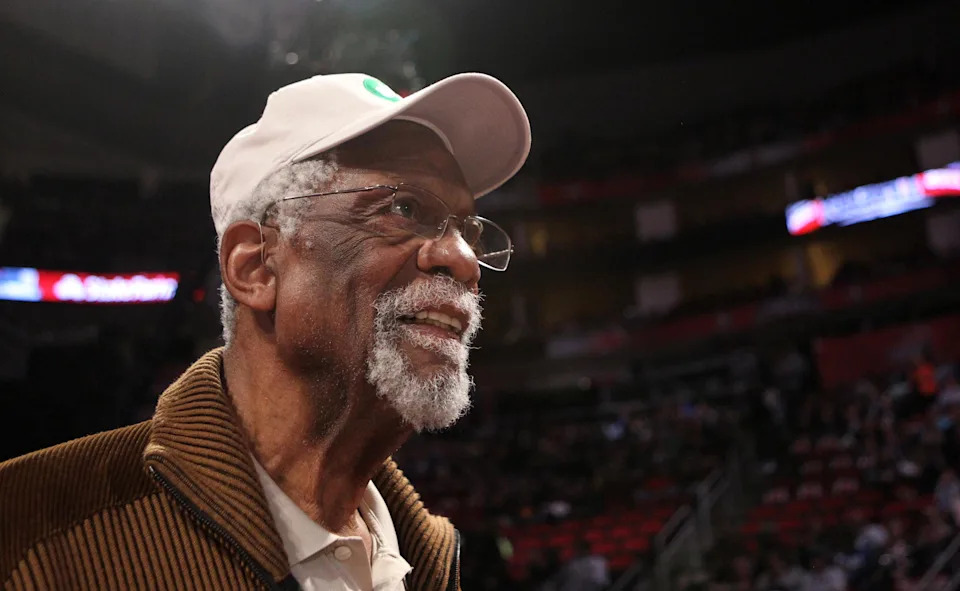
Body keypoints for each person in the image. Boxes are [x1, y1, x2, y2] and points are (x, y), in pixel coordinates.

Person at [0, 72, 531, 590]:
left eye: (468, 230)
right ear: (256, 267)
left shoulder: (428, 560)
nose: (464, 260)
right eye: (404, 208)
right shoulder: (30, 533)